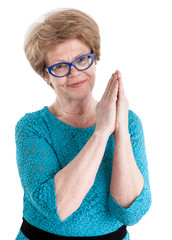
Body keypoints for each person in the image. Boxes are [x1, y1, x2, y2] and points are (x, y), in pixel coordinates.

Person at [15, 8, 151, 240]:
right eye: (59, 66)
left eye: (82, 60)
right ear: (46, 76)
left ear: (94, 58)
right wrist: (101, 132)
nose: (75, 73)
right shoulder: (32, 128)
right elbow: (58, 207)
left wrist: (120, 131)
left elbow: (131, 212)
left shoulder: (128, 122)